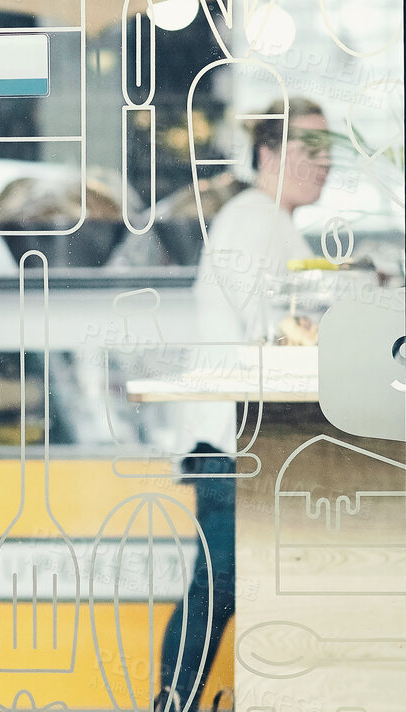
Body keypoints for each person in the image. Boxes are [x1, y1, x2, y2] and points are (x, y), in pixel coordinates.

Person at [154, 99, 332, 712]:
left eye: (328, 150)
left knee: (229, 583)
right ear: (268, 155)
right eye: (310, 149)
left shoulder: (275, 222)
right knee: (221, 582)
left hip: (244, 438)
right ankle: (170, 702)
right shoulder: (255, 218)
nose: (324, 163)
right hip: (232, 440)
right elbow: (277, 332)